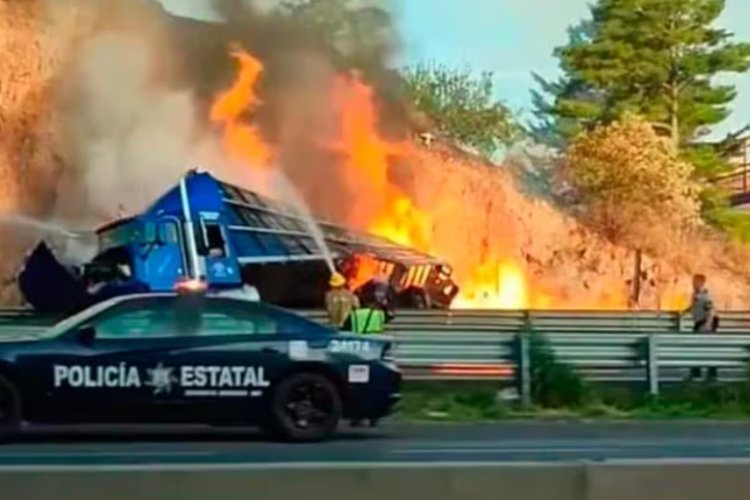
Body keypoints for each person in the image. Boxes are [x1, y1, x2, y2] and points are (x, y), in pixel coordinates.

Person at [683, 273, 719, 381]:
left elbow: (711, 311)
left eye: (695, 282)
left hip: (706, 323)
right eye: (693, 282)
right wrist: (684, 311)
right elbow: (694, 306)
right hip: (699, 322)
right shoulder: (696, 294)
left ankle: (709, 373)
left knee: (706, 348)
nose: (693, 284)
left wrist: (708, 324)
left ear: (701, 282)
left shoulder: (705, 295)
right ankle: (696, 372)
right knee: (696, 347)